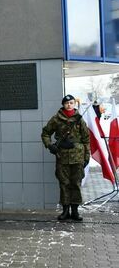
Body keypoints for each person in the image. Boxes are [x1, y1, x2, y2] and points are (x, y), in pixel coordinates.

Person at [41, 94, 90, 222]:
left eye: (72, 103)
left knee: (76, 184)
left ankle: (75, 211)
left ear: (74, 104)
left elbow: (86, 139)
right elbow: (45, 133)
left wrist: (86, 156)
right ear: (63, 104)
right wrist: (50, 145)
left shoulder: (79, 119)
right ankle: (65, 211)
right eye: (67, 103)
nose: (69, 105)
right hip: (62, 157)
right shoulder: (57, 119)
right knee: (64, 184)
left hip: (77, 157)